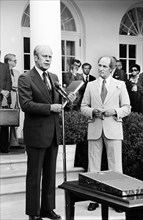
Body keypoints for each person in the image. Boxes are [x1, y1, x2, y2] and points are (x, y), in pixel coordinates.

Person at [18, 45, 75, 220]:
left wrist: (69, 99)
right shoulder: (25, 78)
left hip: (52, 135)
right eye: (44, 56)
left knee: (50, 175)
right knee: (34, 176)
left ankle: (47, 209)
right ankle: (33, 213)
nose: (48, 59)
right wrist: (51, 107)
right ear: (35, 58)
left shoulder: (54, 77)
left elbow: (60, 104)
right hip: (36, 135)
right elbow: (26, 105)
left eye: (50, 56)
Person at [81, 56, 131, 212]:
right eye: (99, 65)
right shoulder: (90, 85)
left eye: (104, 66)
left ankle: (117, 200)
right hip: (95, 127)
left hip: (113, 127)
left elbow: (127, 107)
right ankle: (94, 198)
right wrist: (92, 111)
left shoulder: (120, 85)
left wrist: (115, 111)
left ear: (112, 69)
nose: (100, 68)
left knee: (115, 165)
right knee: (93, 166)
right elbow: (83, 106)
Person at [4, 53, 20, 147]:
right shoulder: (3, 71)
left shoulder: (17, 72)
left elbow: (19, 84)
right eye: (14, 60)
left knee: (15, 120)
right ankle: (4, 143)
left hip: (16, 98)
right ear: (8, 61)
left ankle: (14, 142)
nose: (16, 62)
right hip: (6, 98)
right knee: (5, 120)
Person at [0, 50, 12, 153]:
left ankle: (4, 147)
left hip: (4, 99)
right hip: (1, 94)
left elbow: (9, 80)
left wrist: (6, 92)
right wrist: (1, 91)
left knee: (4, 123)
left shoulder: (5, 66)